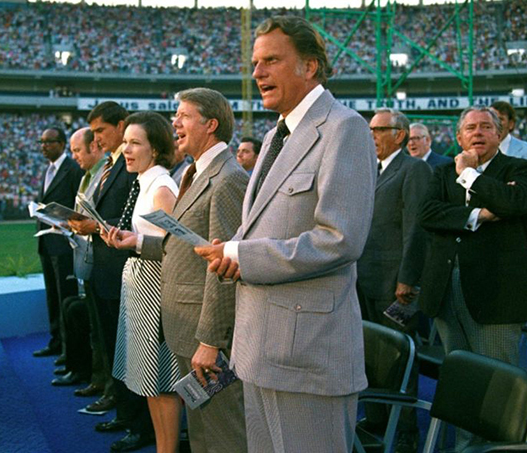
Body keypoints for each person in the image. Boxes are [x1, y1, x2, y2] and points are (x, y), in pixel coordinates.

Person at [195, 16, 376, 453]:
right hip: (258, 350)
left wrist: (245, 255)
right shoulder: (280, 133)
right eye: (256, 63)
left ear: (310, 66)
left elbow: (340, 238)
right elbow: (262, 224)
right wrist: (231, 250)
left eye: (271, 61)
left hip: (307, 358)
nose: (257, 73)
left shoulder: (343, 128)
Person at [106, 88, 248, 453]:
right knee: (201, 431)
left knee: (221, 435)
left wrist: (210, 342)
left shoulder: (228, 178)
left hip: (204, 334)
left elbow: (223, 267)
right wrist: (137, 243)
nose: (175, 123)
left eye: (184, 116)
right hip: (185, 325)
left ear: (211, 124)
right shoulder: (195, 172)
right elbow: (188, 248)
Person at [417, 106, 527, 450]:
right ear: (459, 137)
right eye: (470, 128)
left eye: (485, 127)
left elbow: (512, 202)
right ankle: (466, 447)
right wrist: (478, 214)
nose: (477, 132)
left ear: (499, 134)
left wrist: (470, 176)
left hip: (495, 296)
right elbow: (428, 213)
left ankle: (498, 449)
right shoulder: (439, 172)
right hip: (446, 291)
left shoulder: (518, 168)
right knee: (461, 382)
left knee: (497, 383)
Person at [68, 102, 153, 452]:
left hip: (122, 270)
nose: (97, 138)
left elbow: (128, 219)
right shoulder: (111, 166)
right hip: (104, 270)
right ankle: (125, 413)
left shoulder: (132, 167)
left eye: (101, 131)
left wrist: (95, 225)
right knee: (113, 349)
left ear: (120, 126)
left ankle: (138, 424)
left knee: (130, 353)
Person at [100, 111, 182, 453]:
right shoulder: (145, 181)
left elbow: (176, 250)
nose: (127, 149)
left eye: (136, 143)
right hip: (140, 286)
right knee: (149, 380)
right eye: (126, 142)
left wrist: (132, 242)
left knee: (160, 380)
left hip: (156, 288)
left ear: (157, 148)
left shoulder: (162, 187)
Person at [357, 108, 431, 453]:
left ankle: (404, 431)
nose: (371, 135)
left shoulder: (414, 169)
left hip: (394, 283)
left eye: (378, 129)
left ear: (399, 135)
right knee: (368, 353)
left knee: (399, 357)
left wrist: (408, 279)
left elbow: (415, 228)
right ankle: (375, 420)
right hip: (364, 279)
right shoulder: (370, 170)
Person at [53, 128, 106, 387]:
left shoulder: (103, 174)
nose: (73, 156)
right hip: (85, 258)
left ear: (94, 147)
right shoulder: (86, 176)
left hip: (100, 261)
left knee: (100, 331)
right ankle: (92, 378)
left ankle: (99, 381)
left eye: (76, 150)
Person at [33, 127, 84, 365]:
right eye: (41, 142)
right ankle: (55, 342)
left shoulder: (73, 170)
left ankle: (68, 349)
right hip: (47, 240)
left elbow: (78, 206)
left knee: (65, 297)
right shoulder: (48, 170)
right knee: (52, 297)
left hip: (64, 244)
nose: (44, 146)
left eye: (49, 142)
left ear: (62, 144)